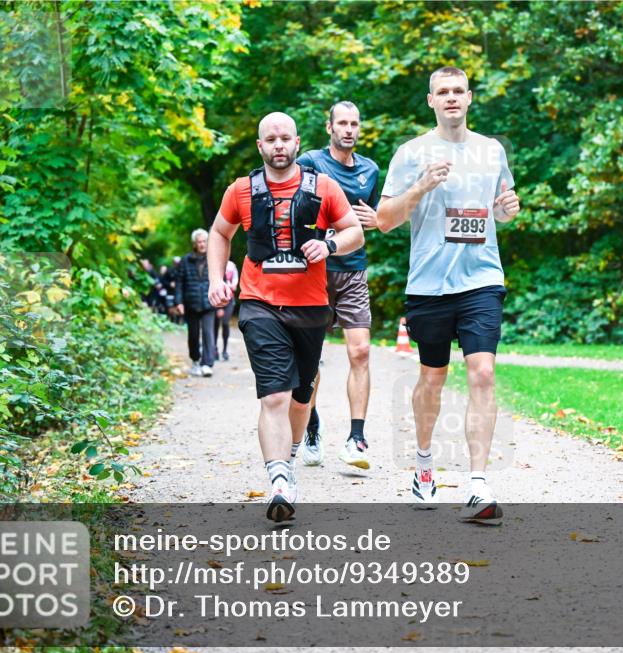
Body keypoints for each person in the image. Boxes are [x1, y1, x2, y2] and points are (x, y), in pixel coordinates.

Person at [376, 67, 520, 522]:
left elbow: (503, 210)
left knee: (481, 372)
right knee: (432, 379)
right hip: (429, 284)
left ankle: (478, 483)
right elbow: (383, 220)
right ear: (431, 100)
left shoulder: (491, 150)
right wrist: (420, 186)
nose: (452, 98)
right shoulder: (411, 152)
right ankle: (423, 466)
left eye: (459, 91)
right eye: (443, 92)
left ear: (470, 98)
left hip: (481, 280)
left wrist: (507, 210)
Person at [207, 111, 363, 522]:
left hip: (311, 308)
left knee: (300, 396)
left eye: (285, 138)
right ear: (261, 146)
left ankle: (289, 457)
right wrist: (217, 279)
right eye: (270, 139)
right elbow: (220, 233)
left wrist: (329, 245)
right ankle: (278, 479)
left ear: (297, 144)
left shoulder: (324, 187)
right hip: (259, 303)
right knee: (274, 394)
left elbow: (355, 232)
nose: (278, 145)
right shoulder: (240, 191)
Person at [296, 101, 380, 471]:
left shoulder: (370, 170)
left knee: (360, 352)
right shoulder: (312, 162)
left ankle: (356, 438)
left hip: (353, 271)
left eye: (354, 123)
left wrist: (377, 220)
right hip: (313, 272)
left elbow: (373, 220)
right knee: (309, 360)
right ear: (329, 127)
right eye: (342, 123)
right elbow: (291, 203)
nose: (348, 129)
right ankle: (312, 425)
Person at [174, 230, 216, 377]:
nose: (202, 244)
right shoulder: (186, 261)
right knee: (193, 335)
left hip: (209, 302)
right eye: (199, 242)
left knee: (208, 333)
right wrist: (178, 302)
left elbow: (219, 279)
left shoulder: (213, 258)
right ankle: (196, 361)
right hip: (191, 303)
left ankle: (207, 364)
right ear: (195, 244)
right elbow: (179, 282)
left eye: (205, 241)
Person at [213, 258, 240, 360]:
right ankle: (214, 348)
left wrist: (232, 285)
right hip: (217, 299)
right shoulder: (215, 263)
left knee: (225, 323)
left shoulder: (232, 265)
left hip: (229, 299)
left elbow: (235, 281)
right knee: (215, 324)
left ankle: (224, 350)